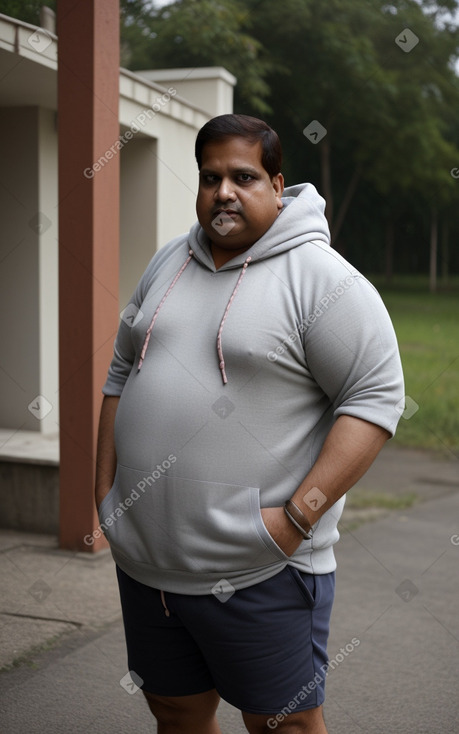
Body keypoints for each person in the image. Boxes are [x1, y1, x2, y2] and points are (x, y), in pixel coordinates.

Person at [95, 113, 404, 734]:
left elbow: (374, 400)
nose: (224, 192)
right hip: (148, 565)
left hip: (259, 568)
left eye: (243, 176)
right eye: (210, 178)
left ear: (276, 182)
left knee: (282, 724)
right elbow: (122, 370)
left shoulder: (322, 279)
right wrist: (105, 496)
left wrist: (295, 518)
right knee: (175, 711)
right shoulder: (167, 262)